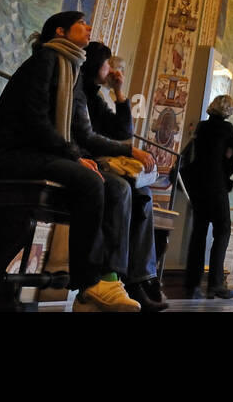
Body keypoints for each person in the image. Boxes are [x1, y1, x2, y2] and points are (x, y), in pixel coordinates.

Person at [0, 11, 138, 312]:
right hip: (11, 154)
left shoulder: (70, 70)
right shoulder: (44, 62)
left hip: (41, 153)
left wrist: (90, 153)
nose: (88, 27)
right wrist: (74, 157)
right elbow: (35, 121)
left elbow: (85, 131)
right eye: (81, 24)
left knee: (116, 186)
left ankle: (107, 280)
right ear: (60, 32)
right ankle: (89, 282)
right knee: (91, 181)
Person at [73, 42, 163, 311]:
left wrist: (120, 93)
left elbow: (123, 131)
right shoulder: (77, 90)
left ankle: (137, 281)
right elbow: (87, 137)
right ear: (95, 65)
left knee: (143, 195)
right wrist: (129, 151)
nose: (111, 69)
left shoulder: (94, 95)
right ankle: (111, 278)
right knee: (122, 189)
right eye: (107, 64)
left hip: (99, 162)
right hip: (82, 161)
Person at [183, 94, 233, 300]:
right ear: (229, 111)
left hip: (198, 186)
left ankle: (192, 286)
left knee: (199, 233)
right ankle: (215, 284)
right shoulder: (227, 129)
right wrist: (228, 150)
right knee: (223, 230)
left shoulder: (201, 127)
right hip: (216, 185)